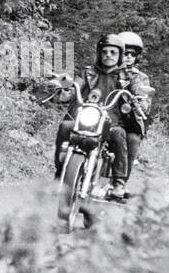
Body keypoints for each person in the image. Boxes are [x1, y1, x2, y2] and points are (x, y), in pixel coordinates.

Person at [54, 33, 149, 201]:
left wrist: (140, 100)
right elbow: (72, 89)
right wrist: (64, 86)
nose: (108, 56)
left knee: (119, 134)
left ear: (119, 55)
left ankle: (118, 182)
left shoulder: (128, 77)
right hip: (87, 119)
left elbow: (140, 93)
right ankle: (60, 171)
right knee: (65, 126)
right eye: (105, 52)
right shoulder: (88, 72)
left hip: (111, 122)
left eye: (113, 53)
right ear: (99, 53)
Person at [115, 30, 153, 182]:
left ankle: (120, 182)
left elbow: (145, 103)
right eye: (125, 53)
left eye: (132, 54)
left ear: (137, 57)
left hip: (128, 122)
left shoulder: (141, 77)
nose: (129, 57)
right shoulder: (110, 71)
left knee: (133, 140)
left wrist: (140, 103)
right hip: (106, 116)